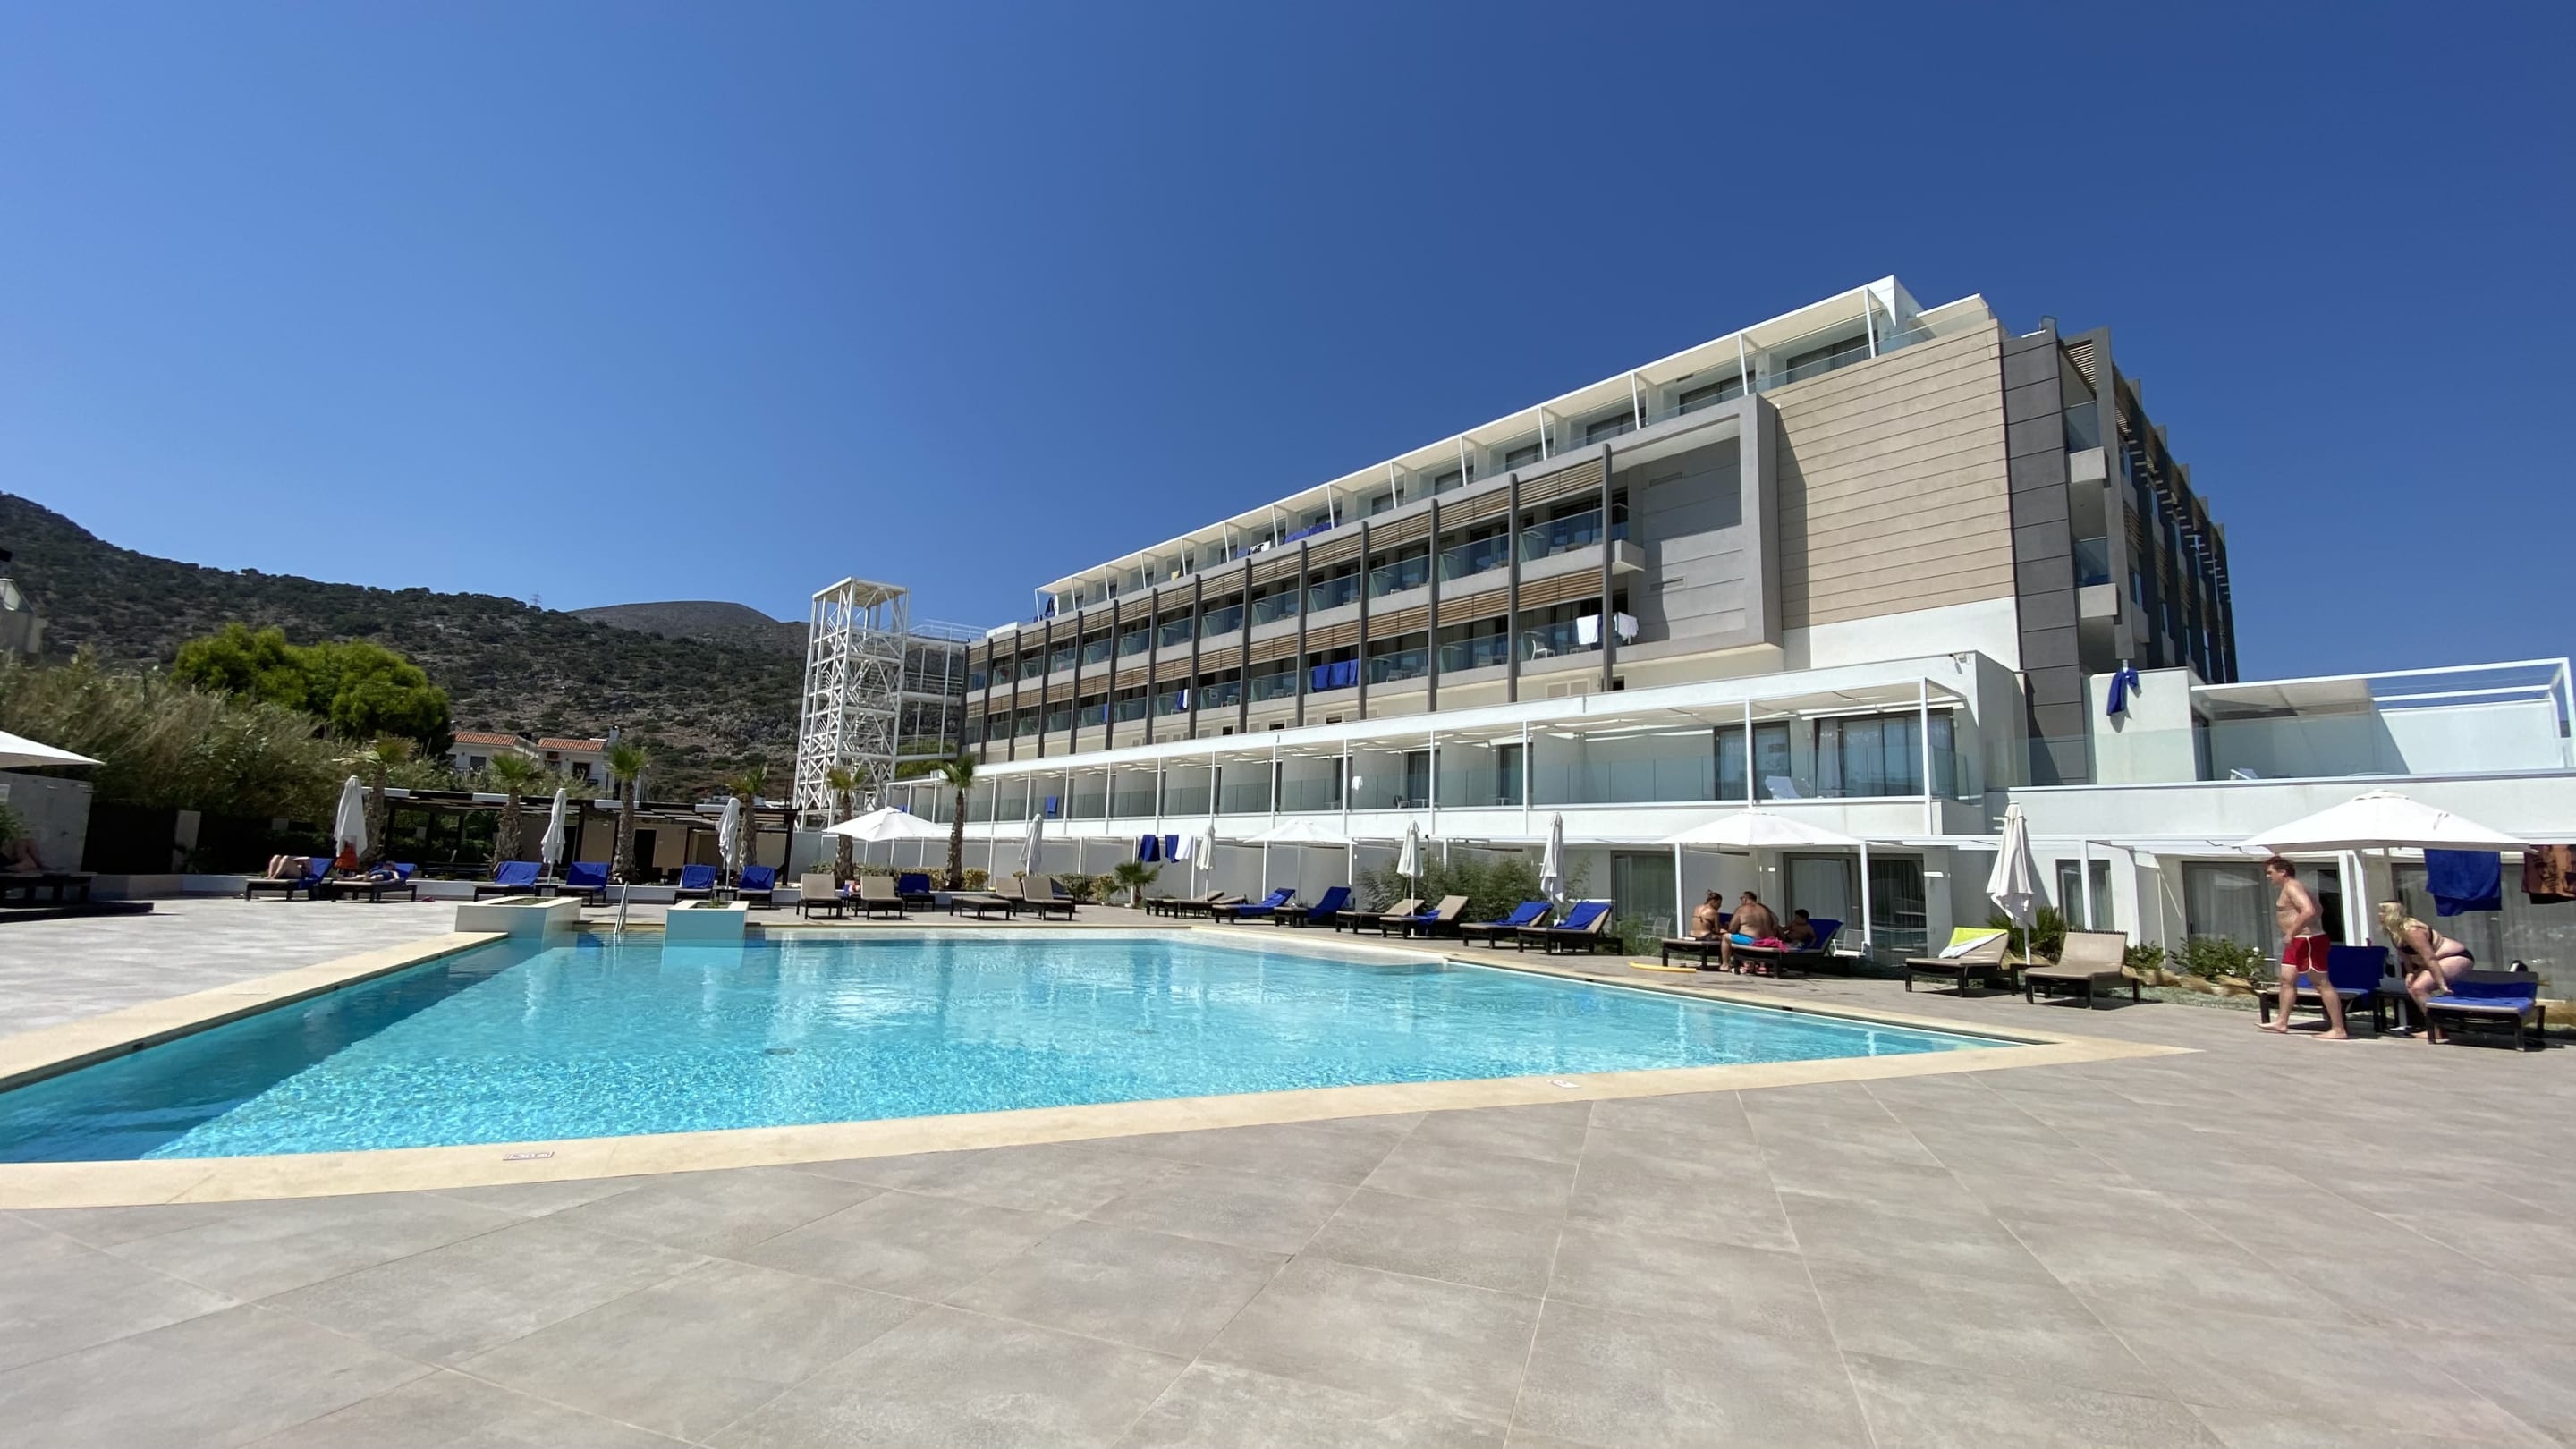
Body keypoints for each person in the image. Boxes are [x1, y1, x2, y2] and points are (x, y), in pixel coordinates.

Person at [2259, 856, 2348, 1039]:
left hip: (2307, 941)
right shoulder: (2292, 887)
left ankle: (2338, 1028)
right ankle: (2281, 1022)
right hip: (2298, 941)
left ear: (2282, 872)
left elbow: (2309, 910)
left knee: (2321, 983)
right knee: (2286, 979)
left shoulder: (2292, 886)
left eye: (2270, 872)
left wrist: (2292, 932)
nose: (2268, 876)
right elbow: (2319, 908)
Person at [2380, 900, 2473, 1042]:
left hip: (2454, 957)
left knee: (2419, 988)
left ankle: (2437, 1030)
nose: (2379, 915)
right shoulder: (2394, 932)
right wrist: (2410, 972)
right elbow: (2405, 955)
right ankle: (2436, 1027)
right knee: (2413, 987)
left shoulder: (2412, 930)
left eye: (2382, 912)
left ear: (2392, 914)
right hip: (2435, 961)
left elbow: (2430, 958)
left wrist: (2441, 984)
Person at [1721, 891, 1781, 970]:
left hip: (1752, 941)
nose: (1741, 901)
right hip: (1768, 941)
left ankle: (1725, 965)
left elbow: (1732, 929)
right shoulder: (1764, 909)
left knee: (1725, 937)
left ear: (1745, 899)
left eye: (1741, 898)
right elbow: (1776, 921)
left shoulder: (1741, 909)